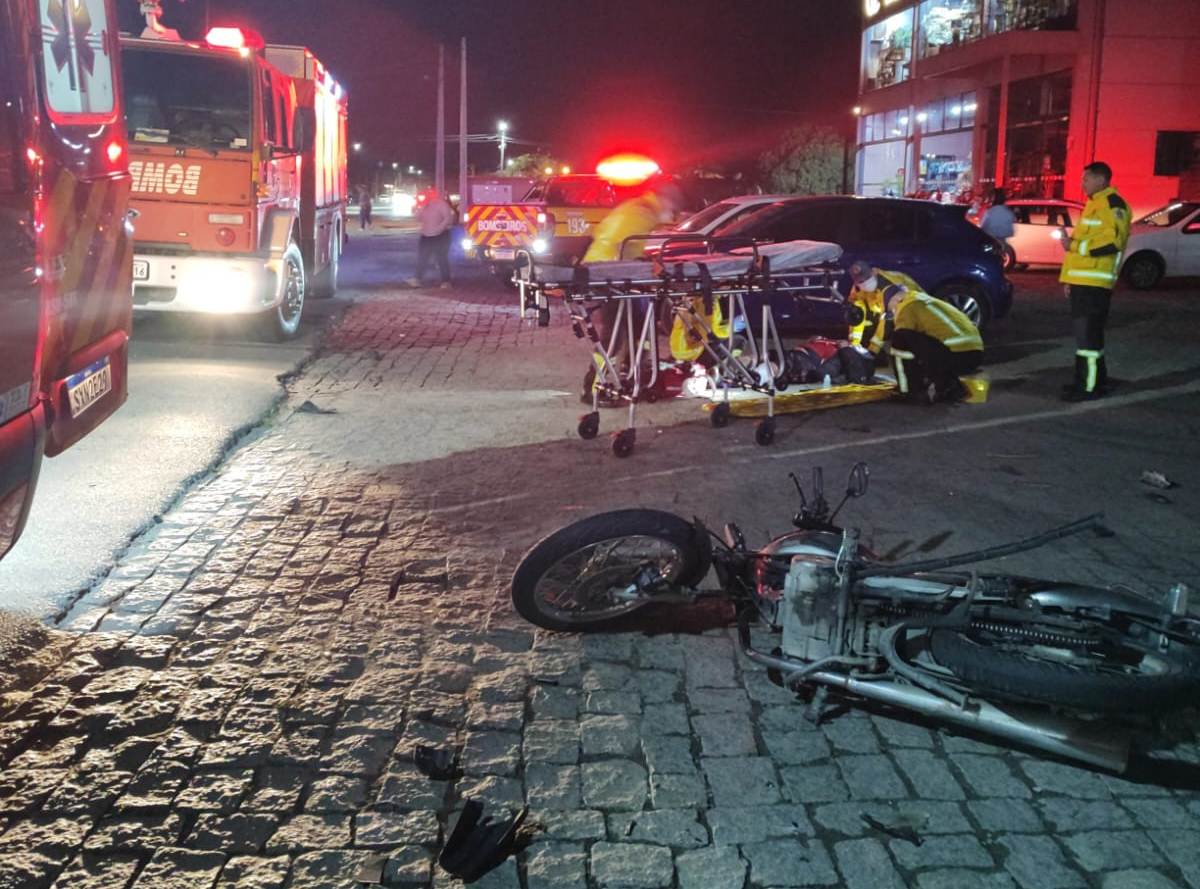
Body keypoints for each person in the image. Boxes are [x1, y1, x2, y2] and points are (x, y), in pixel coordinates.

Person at [580, 180, 686, 405]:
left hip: (611, 272)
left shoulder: (637, 207)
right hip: (608, 274)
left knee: (640, 327)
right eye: (673, 208)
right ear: (664, 200)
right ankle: (593, 387)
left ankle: (634, 375)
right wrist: (632, 265)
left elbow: (604, 233)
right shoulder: (642, 212)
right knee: (615, 334)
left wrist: (638, 263)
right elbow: (619, 242)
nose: (673, 214)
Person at [1057, 161, 1130, 401]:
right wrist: (1070, 280)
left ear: (1101, 179)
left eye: (1086, 179)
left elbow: (1113, 242)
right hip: (1085, 283)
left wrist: (1074, 245)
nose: (1082, 184)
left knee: (1087, 339)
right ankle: (1093, 381)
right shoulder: (1095, 204)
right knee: (1089, 338)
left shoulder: (1112, 204)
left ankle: (1087, 388)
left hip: (1094, 284)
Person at [884, 284, 983, 404]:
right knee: (921, 343)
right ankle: (949, 386)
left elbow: (904, 341)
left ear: (895, 299)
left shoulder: (905, 307)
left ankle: (910, 391)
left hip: (956, 354)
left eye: (891, 310)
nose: (893, 314)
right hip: (974, 352)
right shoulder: (923, 300)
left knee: (899, 337)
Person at [845, 260, 922, 356]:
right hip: (885, 309)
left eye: (867, 278)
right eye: (861, 281)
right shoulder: (858, 288)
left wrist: (873, 351)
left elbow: (886, 320)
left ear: (873, 272)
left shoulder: (888, 285)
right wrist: (854, 342)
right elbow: (856, 314)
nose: (865, 283)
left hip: (913, 309)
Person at [408, 188, 456, 289]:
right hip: (426, 235)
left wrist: (439, 229)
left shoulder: (441, 204)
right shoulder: (425, 206)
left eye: (428, 194)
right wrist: (419, 208)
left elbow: (448, 218)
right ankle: (417, 279)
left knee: (441, 258)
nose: (425, 196)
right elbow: (418, 218)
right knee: (422, 258)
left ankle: (446, 281)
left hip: (441, 236)